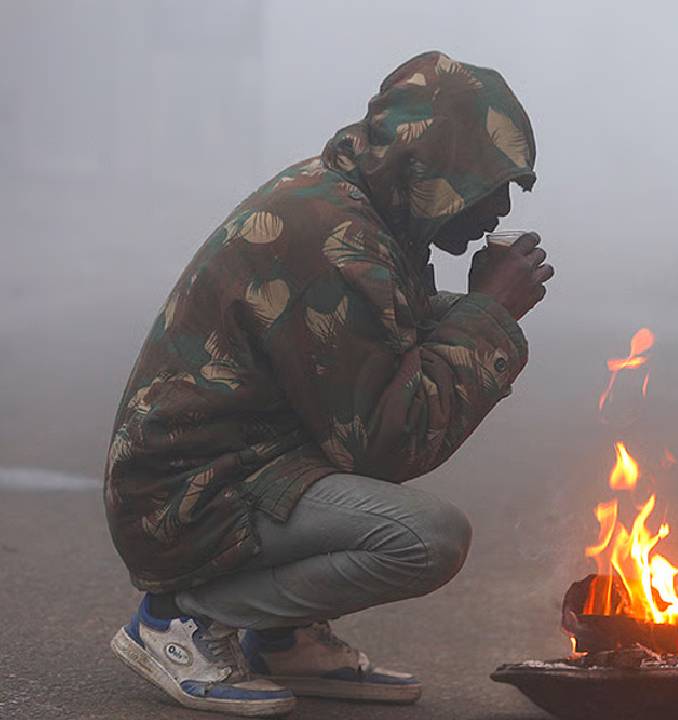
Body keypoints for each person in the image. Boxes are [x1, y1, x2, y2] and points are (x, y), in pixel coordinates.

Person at [104, 51, 552, 717]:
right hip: (188, 499)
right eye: (491, 181)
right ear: (433, 169)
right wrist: (487, 313)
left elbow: (386, 350)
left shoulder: (361, 213)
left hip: (239, 466)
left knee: (389, 505)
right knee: (426, 539)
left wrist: (480, 313)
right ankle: (182, 619)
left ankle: (284, 639)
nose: (502, 206)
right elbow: (388, 442)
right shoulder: (333, 233)